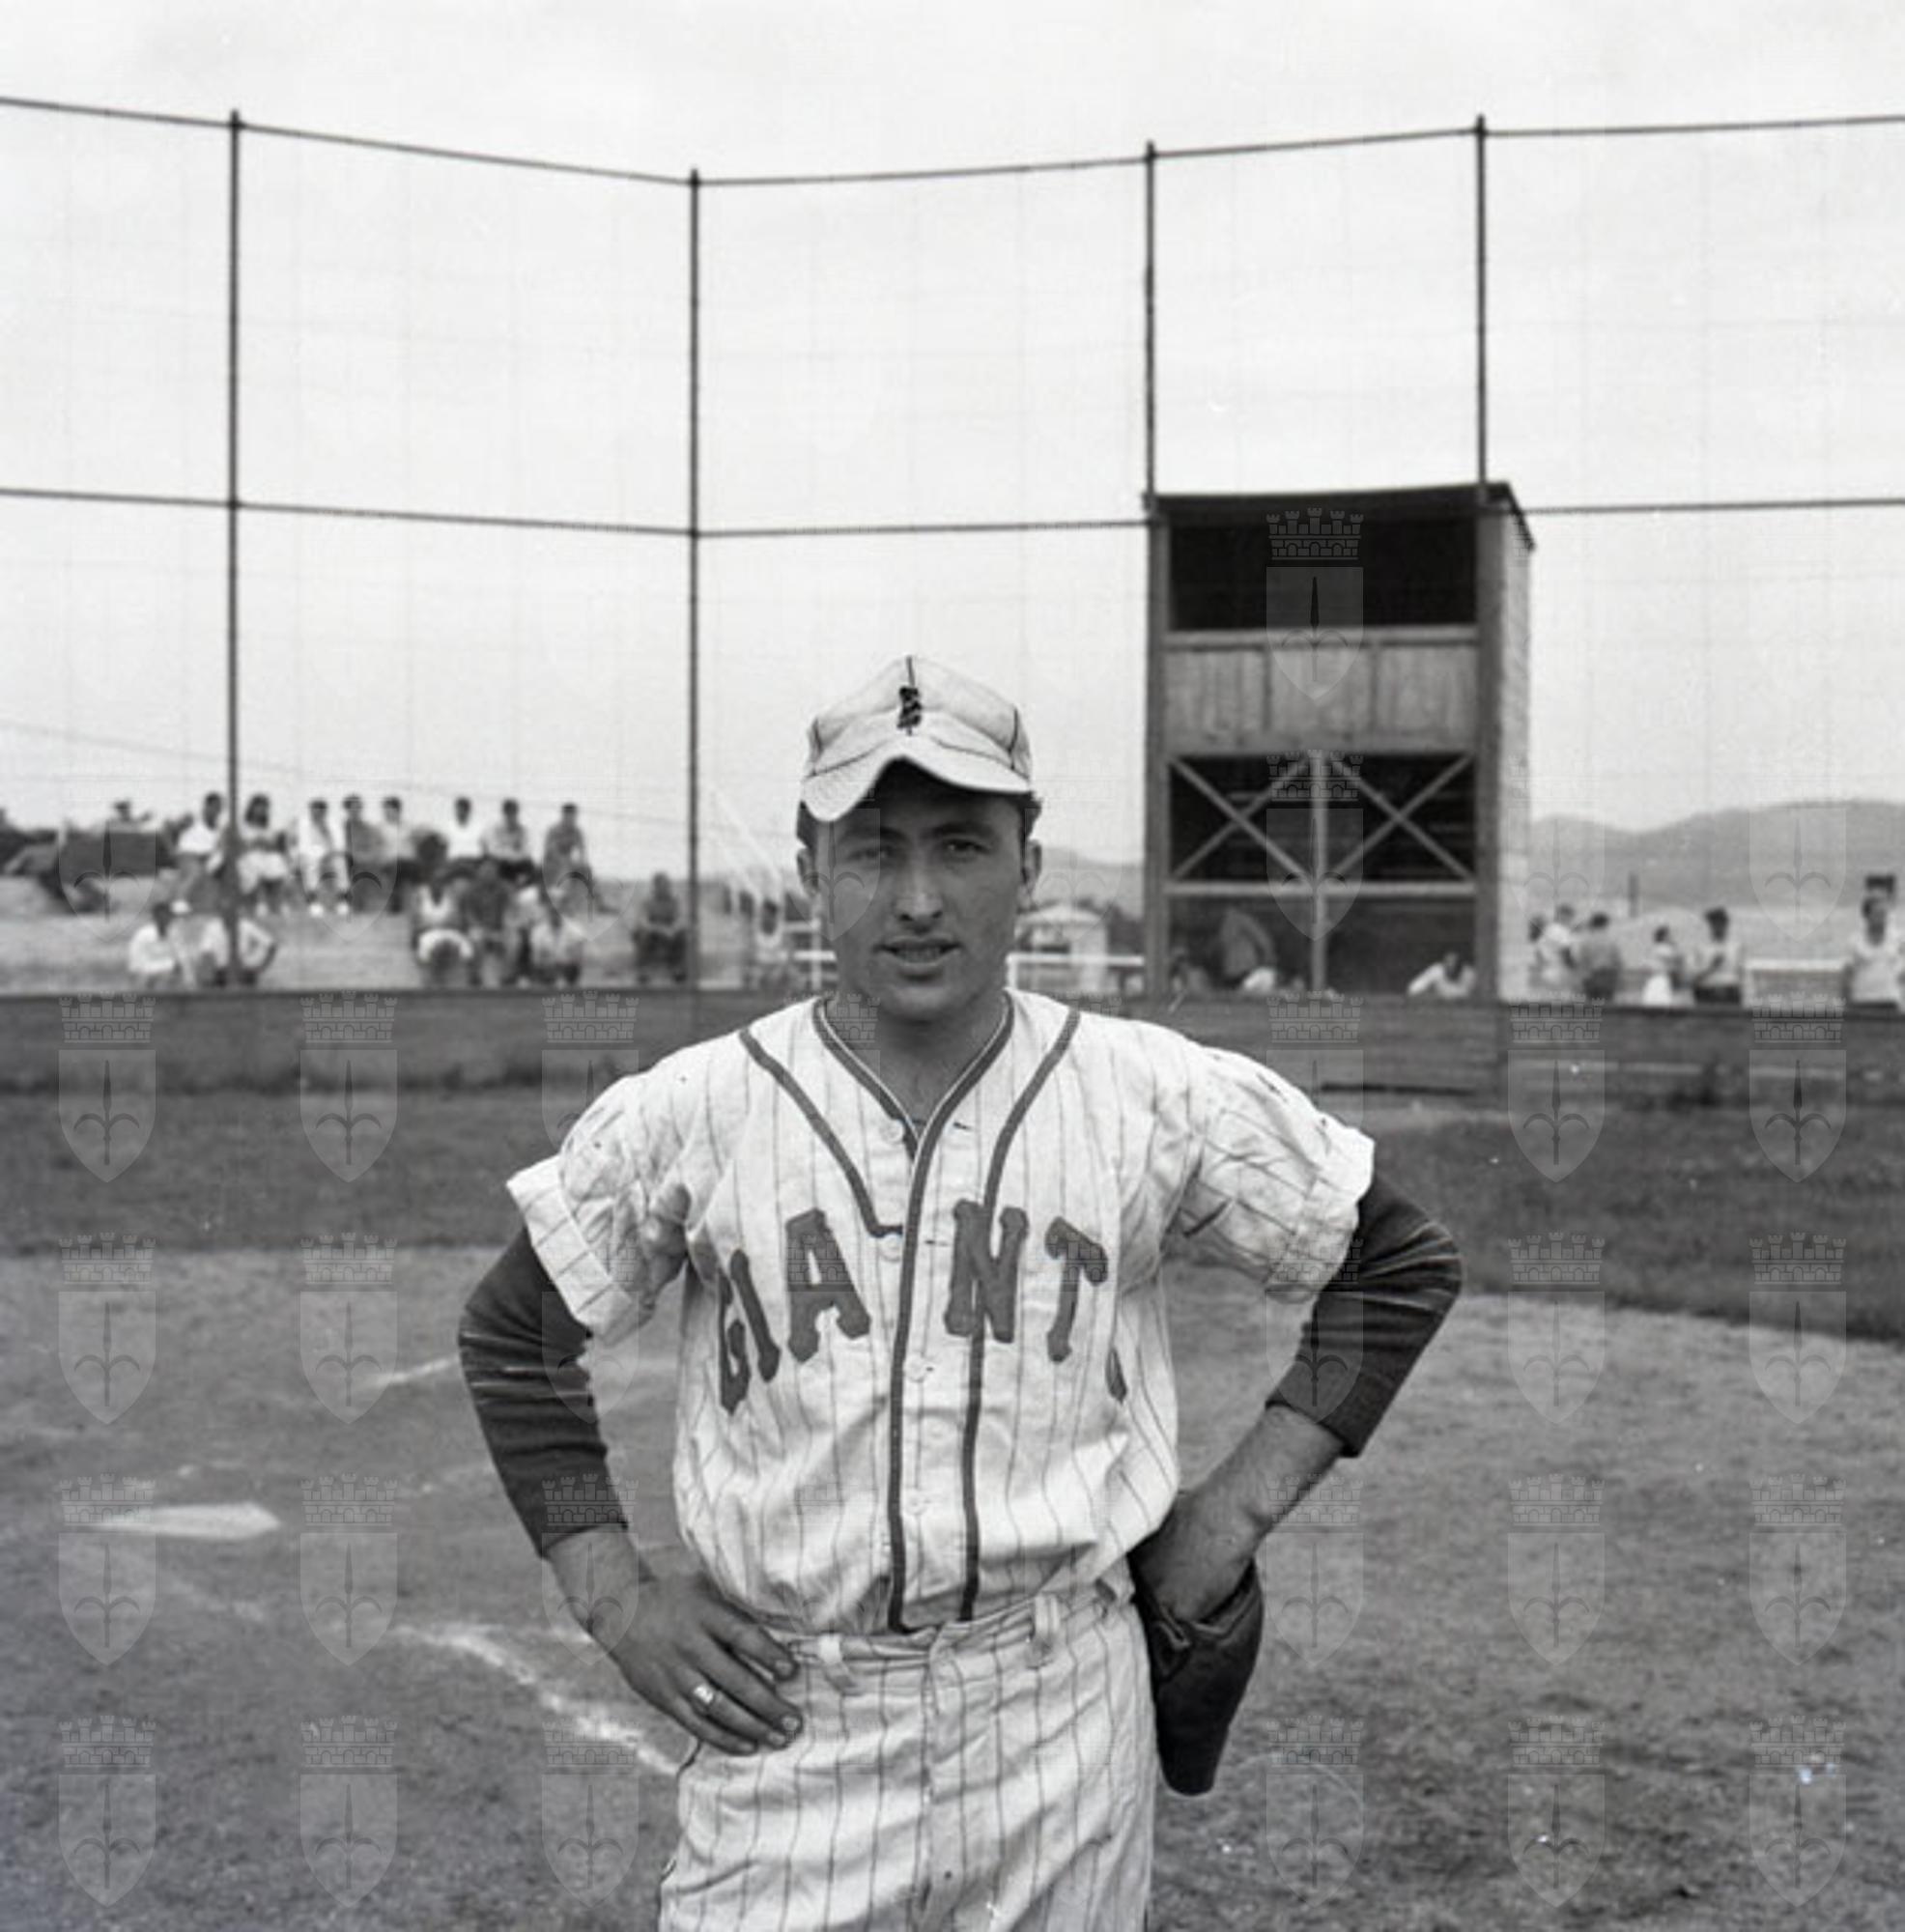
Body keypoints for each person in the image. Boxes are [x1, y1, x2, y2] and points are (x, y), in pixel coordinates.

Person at [458, 656, 1463, 1929]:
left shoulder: (1147, 1093)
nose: (918, 898)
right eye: (872, 850)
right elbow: (513, 1333)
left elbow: (1396, 1259)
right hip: (794, 1723)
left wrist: (1228, 1517)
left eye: (962, 845)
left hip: (1063, 1718)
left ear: (1028, 865)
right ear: (812, 868)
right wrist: (611, 1593)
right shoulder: (697, 1110)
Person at [411, 867, 475, 987]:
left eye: (441, 881)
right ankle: (431, 982)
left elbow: (457, 921)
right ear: (429, 881)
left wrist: (442, 925)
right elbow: (416, 922)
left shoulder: (451, 895)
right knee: (432, 946)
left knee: (465, 948)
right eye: (435, 880)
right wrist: (436, 925)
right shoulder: (419, 895)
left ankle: (470, 981)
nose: (438, 884)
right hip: (427, 933)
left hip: (449, 932)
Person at [1842, 893, 1903, 1012]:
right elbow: (1846, 976)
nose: (1882, 918)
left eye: (1884, 914)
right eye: (1878, 914)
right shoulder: (1854, 941)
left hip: (1890, 1001)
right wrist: (1845, 1005)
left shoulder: (1898, 939)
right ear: (1867, 916)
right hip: (1861, 1001)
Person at [189, 908, 278, 988]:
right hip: (221, 974)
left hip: (243, 973)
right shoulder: (213, 927)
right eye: (225, 911)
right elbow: (206, 953)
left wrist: (260, 968)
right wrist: (205, 978)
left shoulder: (246, 926)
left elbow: (271, 945)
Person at [462, 856, 514, 986]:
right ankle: (475, 977)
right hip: (479, 928)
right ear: (479, 872)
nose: (489, 873)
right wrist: (484, 931)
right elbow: (469, 915)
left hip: (499, 928)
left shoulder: (504, 889)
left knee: (514, 940)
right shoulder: (471, 889)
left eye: (492, 870)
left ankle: (507, 977)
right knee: (476, 939)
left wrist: (503, 929)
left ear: (497, 872)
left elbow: (509, 911)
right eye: (485, 870)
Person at [237, 793, 291, 915]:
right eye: (259, 807)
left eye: (264, 808)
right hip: (246, 858)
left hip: (266, 857)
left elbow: (276, 848)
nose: (261, 810)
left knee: (277, 861)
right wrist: (253, 844)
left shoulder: (269, 828)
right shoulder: (243, 827)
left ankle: (281, 902)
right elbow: (238, 847)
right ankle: (261, 902)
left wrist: (267, 844)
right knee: (255, 862)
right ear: (252, 808)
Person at [525, 883, 587, 986]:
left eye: (559, 905)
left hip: (569, 977)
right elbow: (536, 960)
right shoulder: (537, 931)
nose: (555, 909)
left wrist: (555, 962)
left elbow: (577, 959)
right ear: (546, 907)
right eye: (552, 905)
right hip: (545, 977)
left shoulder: (576, 929)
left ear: (564, 907)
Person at [633, 870, 688, 984]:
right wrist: (660, 929)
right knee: (641, 934)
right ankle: (643, 970)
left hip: (670, 933)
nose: (665, 888)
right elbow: (642, 921)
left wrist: (673, 929)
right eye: (662, 885)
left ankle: (677, 968)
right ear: (655, 887)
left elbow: (681, 918)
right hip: (653, 933)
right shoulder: (648, 900)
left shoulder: (675, 900)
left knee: (683, 935)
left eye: (667, 885)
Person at [174, 792, 226, 910]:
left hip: (208, 858)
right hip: (188, 856)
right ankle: (179, 900)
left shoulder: (219, 828)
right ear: (207, 806)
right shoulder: (192, 819)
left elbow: (220, 848)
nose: (216, 811)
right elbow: (167, 828)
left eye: (219, 808)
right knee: (195, 871)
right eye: (214, 807)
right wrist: (172, 850)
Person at [1211, 903, 1277, 993]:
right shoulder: (1223, 923)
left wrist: (1269, 957)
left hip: (1244, 970)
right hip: (1231, 972)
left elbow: (1262, 939)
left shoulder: (1240, 918)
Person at [293, 799, 343, 912]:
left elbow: (339, 844)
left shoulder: (332, 823)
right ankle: (313, 901)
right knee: (311, 864)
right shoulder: (303, 824)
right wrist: (317, 856)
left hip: (330, 854)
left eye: (320, 811)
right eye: (314, 810)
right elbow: (303, 846)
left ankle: (342, 900)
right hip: (310, 855)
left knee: (340, 863)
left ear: (325, 812)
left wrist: (325, 832)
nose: (317, 813)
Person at [126, 899, 187, 990]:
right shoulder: (143, 935)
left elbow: (181, 959)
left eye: (168, 916)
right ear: (155, 917)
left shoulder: (174, 934)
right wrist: (168, 966)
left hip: (167, 979)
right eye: (162, 916)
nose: (165, 919)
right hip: (145, 979)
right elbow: (137, 966)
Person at [1690, 905, 1745, 1007]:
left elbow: (1742, 974)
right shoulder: (1701, 947)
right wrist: (1711, 966)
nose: (1718, 927)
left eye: (1721, 923)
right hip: (1707, 992)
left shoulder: (1736, 947)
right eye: (1714, 924)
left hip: (1730, 992)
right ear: (1710, 925)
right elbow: (1692, 977)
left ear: (1726, 925)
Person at [542, 803, 593, 905]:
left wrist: (580, 862)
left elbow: (582, 850)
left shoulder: (576, 831)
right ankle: (560, 898)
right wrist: (566, 861)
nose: (572, 819)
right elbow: (550, 850)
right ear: (564, 816)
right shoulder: (554, 830)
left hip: (567, 861)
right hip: (551, 862)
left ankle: (592, 898)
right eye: (570, 816)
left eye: (574, 817)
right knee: (565, 870)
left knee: (586, 869)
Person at [1572, 910, 1624, 1003]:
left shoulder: (1586, 941)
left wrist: (1580, 980)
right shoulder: (1611, 940)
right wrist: (1619, 979)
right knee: (1608, 1006)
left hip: (1591, 977)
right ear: (1605, 924)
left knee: (1593, 1007)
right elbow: (1617, 961)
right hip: (1608, 977)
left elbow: (1582, 961)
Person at [380, 796, 420, 913]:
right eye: (385, 810)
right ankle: (395, 903)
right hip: (389, 863)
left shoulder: (408, 827)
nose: (386, 813)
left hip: (407, 863)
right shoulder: (381, 828)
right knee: (396, 868)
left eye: (389, 810)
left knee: (409, 868)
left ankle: (407, 903)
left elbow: (415, 847)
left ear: (397, 810)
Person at [484, 798, 536, 887]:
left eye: (513, 813)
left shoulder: (523, 830)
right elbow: (493, 850)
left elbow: (527, 850)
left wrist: (515, 856)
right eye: (509, 813)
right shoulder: (496, 829)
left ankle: (522, 883)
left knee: (531, 865)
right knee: (490, 864)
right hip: (503, 862)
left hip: (518, 861)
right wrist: (510, 854)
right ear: (504, 813)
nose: (511, 816)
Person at [1531, 903, 1578, 997]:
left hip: (1546, 972)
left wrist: (1542, 966)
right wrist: (1575, 968)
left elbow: (1538, 952)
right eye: (1570, 917)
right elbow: (1565, 952)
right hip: (1560, 972)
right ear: (1564, 916)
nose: (1571, 921)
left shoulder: (1548, 929)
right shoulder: (1562, 931)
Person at [1639, 924, 1687, 1008]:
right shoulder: (1663, 948)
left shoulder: (1654, 948)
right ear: (1664, 937)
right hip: (1661, 978)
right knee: (1662, 1002)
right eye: (1669, 935)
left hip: (1654, 978)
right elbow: (1679, 957)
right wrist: (1674, 945)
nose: (1671, 937)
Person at [443, 796, 487, 878]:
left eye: (462, 810)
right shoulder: (448, 827)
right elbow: (444, 848)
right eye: (458, 810)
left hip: (473, 862)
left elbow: (484, 848)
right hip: (454, 863)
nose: (459, 813)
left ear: (468, 811)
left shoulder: (479, 827)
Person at [1407, 950, 1476, 1000]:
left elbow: (1468, 995)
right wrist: (1428, 994)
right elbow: (1413, 989)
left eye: (1455, 962)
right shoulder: (1436, 970)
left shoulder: (1469, 973)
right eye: (1448, 961)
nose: (1451, 965)